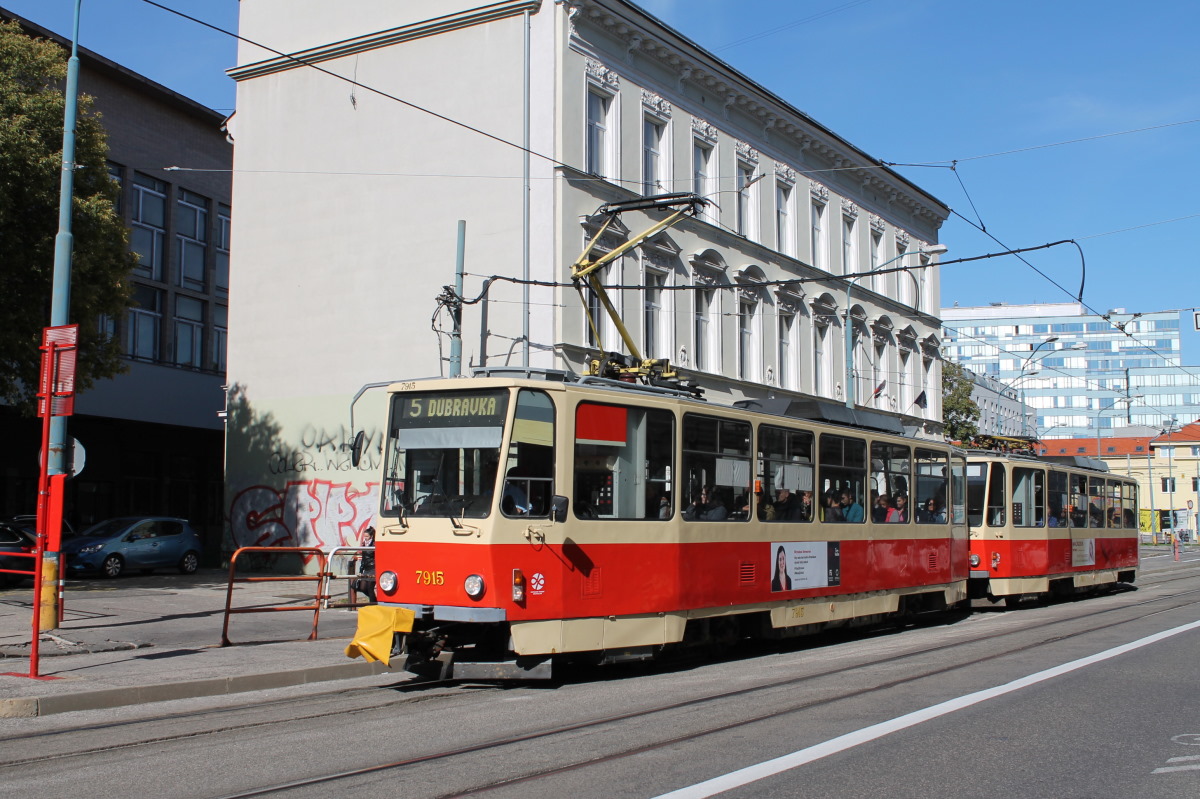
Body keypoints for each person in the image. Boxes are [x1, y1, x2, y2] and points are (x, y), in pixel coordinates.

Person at [353, 527, 376, 604]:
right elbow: (363, 558)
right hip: (366, 568)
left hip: (373, 568)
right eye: (364, 536)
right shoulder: (364, 544)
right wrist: (361, 570)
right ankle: (375, 600)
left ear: (371, 536)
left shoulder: (374, 544)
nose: (365, 538)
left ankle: (372, 604)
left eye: (367, 536)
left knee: (370, 587)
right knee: (362, 587)